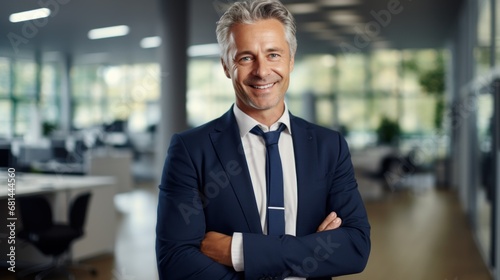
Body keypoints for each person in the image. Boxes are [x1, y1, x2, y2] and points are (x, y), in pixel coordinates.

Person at [155, 0, 370, 279]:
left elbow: (355, 247)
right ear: (225, 66)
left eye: (273, 55)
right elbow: (175, 262)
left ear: (291, 60)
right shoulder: (191, 150)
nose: (262, 71)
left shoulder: (329, 146)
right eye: (246, 57)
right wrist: (310, 248)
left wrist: (239, 250)